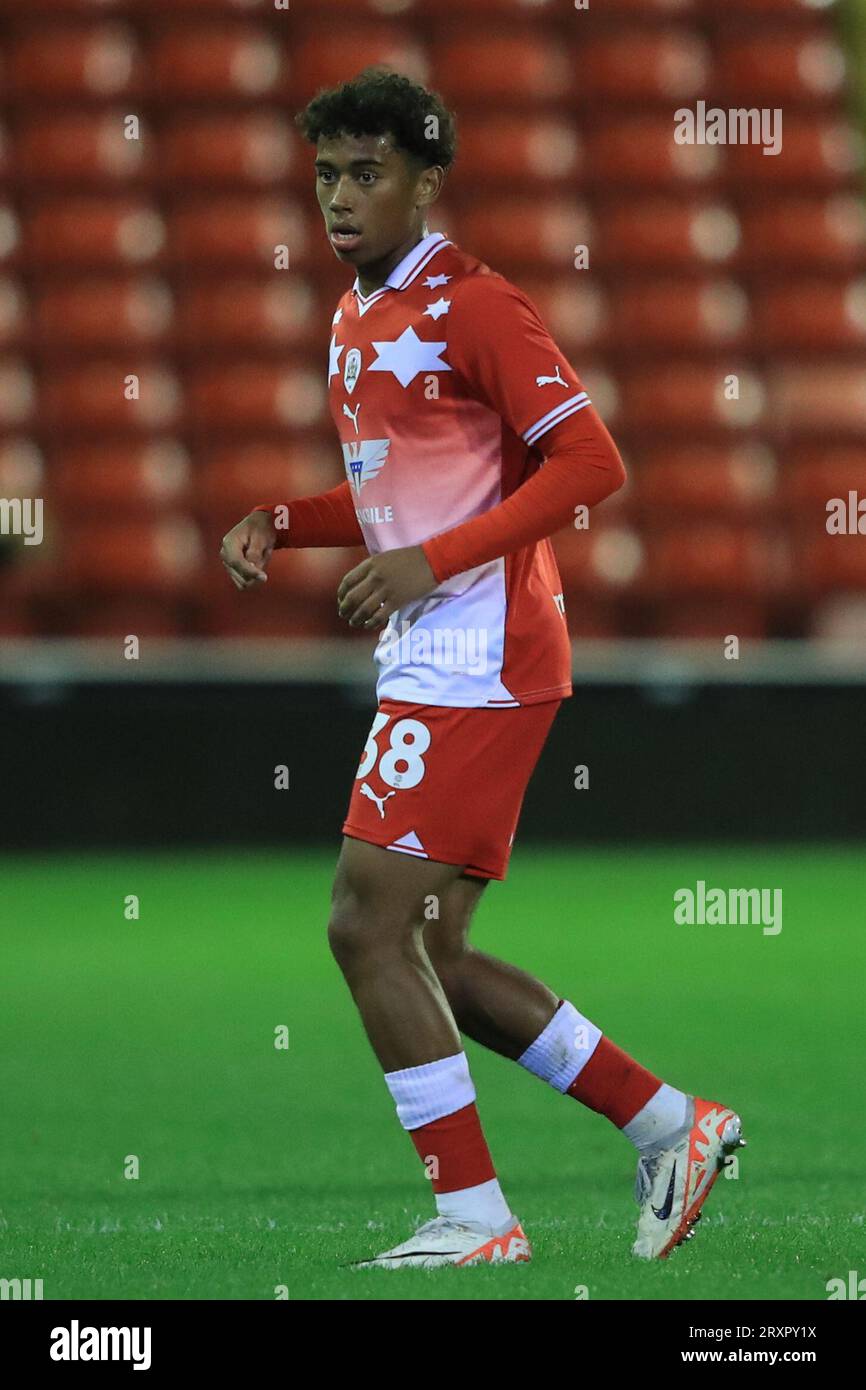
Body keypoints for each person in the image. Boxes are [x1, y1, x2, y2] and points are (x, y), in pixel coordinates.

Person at [220, 67, 744, 1270]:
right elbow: (396, 499)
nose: (340, 198)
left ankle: (473, 1217)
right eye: (326, 175)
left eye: (367, 173)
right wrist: (283, 521)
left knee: (363, 923)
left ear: (425, 182)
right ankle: (672, 1124)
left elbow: (588, 465)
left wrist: (430, 565)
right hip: (441, 648)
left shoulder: (475, 305)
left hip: (481, 653)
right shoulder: (355, 317)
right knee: (431, 953)